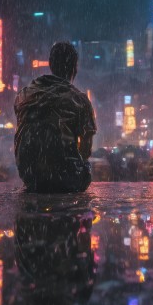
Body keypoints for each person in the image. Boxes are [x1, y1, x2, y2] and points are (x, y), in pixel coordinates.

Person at [14, 42, 97, 192]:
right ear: (74, 68)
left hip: (30, 177)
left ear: (51, 65)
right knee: (86, 168)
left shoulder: (23, 96)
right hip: (65, 180)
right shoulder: (80, 100)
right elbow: (86, 150)